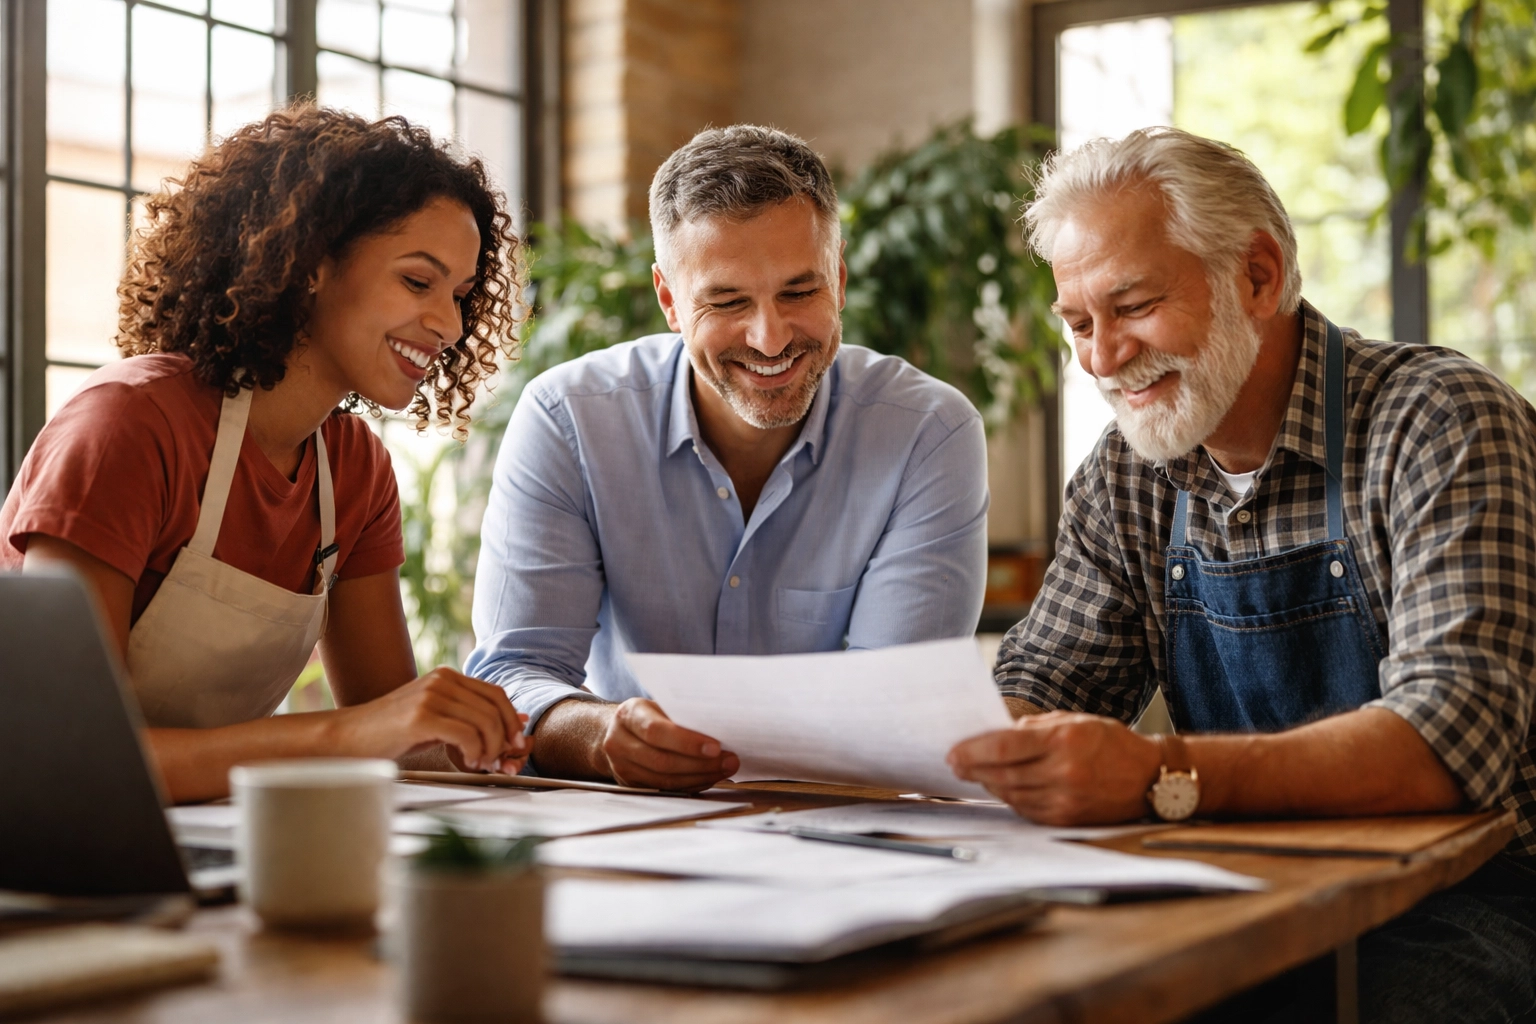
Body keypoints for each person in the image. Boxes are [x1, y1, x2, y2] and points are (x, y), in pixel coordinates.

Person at [946, 127, 1536, 1021]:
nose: (1103, 358)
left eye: (1134, 305)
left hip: (1479, 900)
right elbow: (1044, 681)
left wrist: (1156, 776)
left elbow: (1447, 740)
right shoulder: (1127, 474)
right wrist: (998, 740)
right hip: (1242, 883)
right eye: (1078, 324)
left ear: (1258, 276)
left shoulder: (1440, 422)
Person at [1, 107, 531, 803]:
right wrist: (353, 735)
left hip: (200, 837)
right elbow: (64, 753)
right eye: (417, 281)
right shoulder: (129, 426)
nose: (449, 324)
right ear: (310, 263)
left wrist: (527, 735)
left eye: (461, 296)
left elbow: (398, 735)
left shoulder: (354, 473)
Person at [466, 125, 989, 791]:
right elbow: (513, 672)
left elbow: (894, 708)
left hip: (842, 826)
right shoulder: (568, 420)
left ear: (841, 280)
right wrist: (601, 736)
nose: (770, 338)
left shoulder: (929, 433)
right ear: (669, 301)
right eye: (728, 301)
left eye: (800, 292)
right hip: (626, 826)